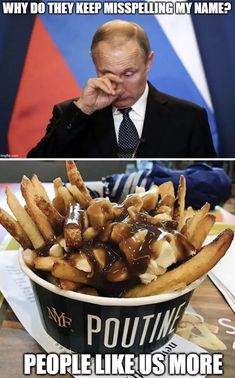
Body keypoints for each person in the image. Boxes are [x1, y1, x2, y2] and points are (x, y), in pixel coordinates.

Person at [27, 20, 217, 158]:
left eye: (128, 74)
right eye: (107, 74)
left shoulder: (189, 117)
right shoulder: (71, 114)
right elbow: (33, 169)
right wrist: (83, 110)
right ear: (95, 66)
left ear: (148, 62)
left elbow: (208, 177)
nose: (118, 87)